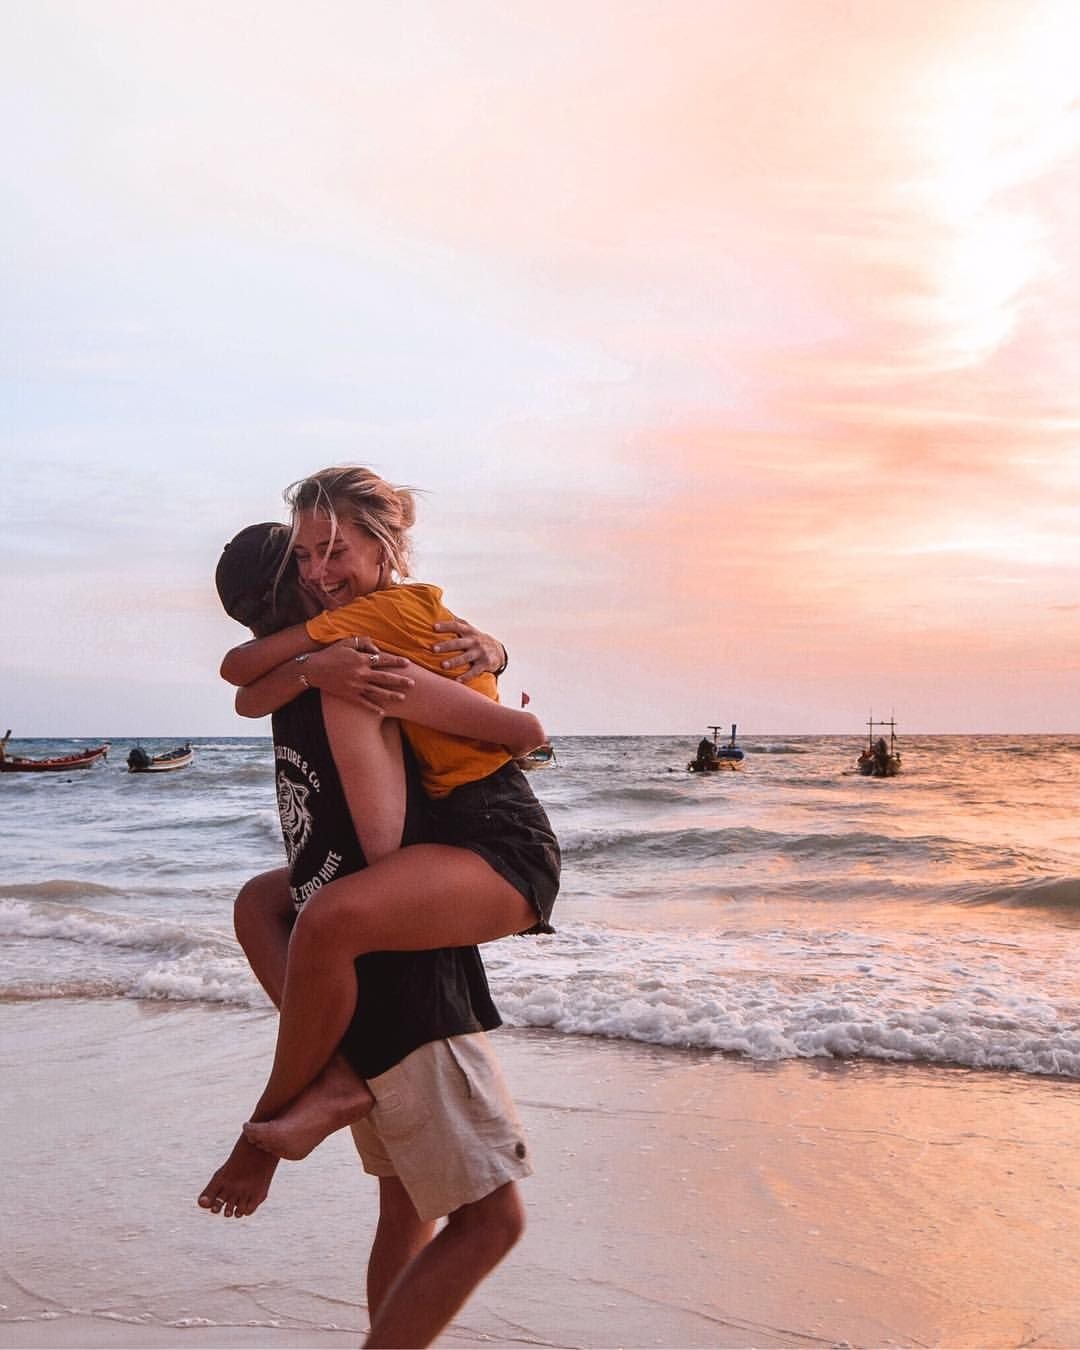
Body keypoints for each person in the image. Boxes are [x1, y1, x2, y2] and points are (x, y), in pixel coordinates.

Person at [204, 522, 536, 1347]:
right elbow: (384, 843)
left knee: (408, 1206)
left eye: (332, 554)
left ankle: (332, 1073)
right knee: (491, 1222)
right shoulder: (347, 676)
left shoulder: (297, 688)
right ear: (303, 591)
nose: (324, 572)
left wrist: (490, 656)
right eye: (308, 561)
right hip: (408, 982)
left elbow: (248, 695)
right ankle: (292, 1110)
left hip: (358, 982)